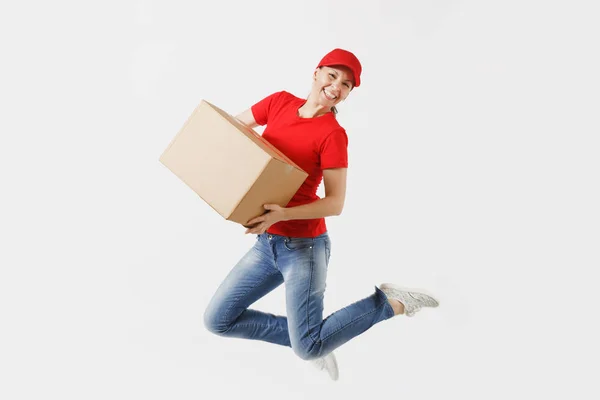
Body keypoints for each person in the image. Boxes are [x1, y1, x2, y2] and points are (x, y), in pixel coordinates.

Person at [203, 48, 439, 381]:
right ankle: (313, 338)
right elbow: (232, 132)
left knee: (308, 346)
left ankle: (391, 302)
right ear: (316, 72)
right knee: (218, 320)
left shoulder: (332, 134)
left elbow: (335, 203)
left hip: (304, 249)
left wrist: (283, 212)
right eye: (332, 76)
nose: (336, 86)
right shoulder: (278, 103)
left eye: (346, 85)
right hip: (266, 243)